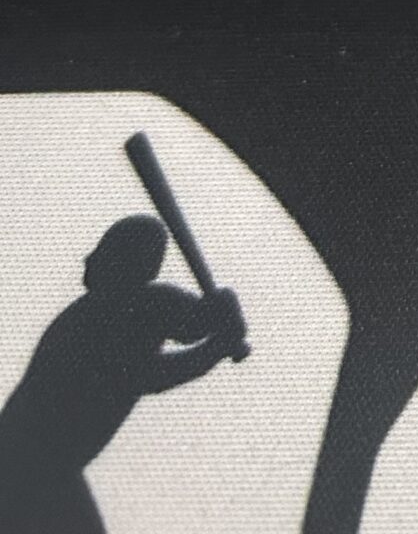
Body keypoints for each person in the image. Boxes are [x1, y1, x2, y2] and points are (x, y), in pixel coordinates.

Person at [0, 213, 248, 534]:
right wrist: (216, 346)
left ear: (125, 263)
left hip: (41, 466)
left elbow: (196, 323)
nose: (88, 259)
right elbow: (147, 375)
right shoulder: (91, 319)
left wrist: (221, 313)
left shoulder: (140, 305)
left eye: (104, 251)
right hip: (26, 461)